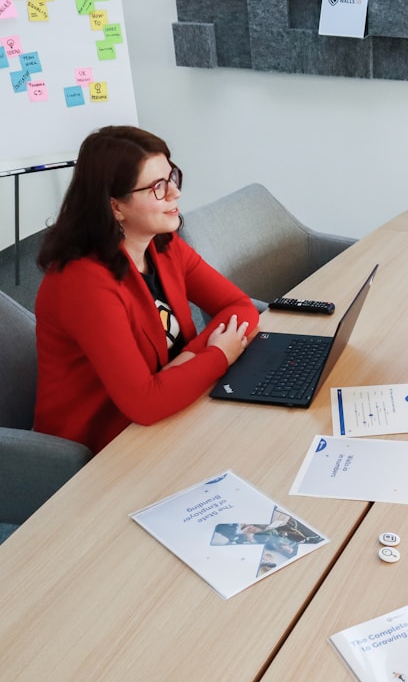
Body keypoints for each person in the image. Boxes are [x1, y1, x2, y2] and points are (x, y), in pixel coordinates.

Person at [34, 126, 257, 452]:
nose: (175, 194)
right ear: (115, 207)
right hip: (103, 447)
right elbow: (145, 404)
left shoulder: (164, 246)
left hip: (173, 411)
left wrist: (186, 362)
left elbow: (240, 306)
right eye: (157, 188)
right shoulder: (83, 283)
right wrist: (219, 353)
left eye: (172, 178)